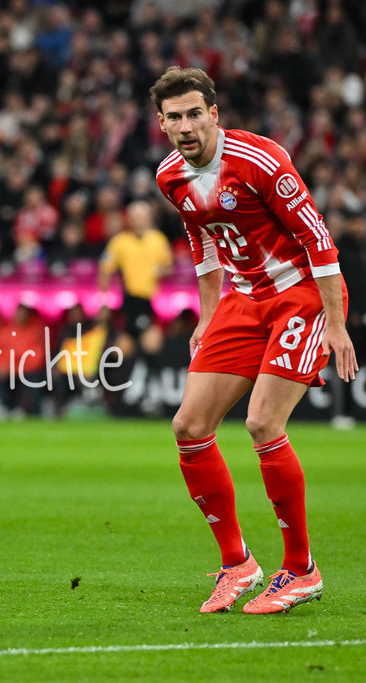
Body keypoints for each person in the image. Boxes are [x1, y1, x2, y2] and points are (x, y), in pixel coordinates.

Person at [151, 67, 358, 614]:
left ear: (214, 114)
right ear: (162, 124)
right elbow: (204, 242)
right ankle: (238, 562)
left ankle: (301, 569)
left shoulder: (260, 159)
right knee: (189, 427)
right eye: (175, 117)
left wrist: (336, 322)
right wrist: (208, 315)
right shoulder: (170, 176)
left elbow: (318, 238)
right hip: (242, 300)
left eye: (196, 113)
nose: (187, 125)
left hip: (298, 295)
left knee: (263, 423)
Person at [98, 199, 174, 340]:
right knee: (125, 344)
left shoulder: (158, 239)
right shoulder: (119, 241)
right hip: (128, 300)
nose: (138, 220)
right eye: (134, 217)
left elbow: (169, 268)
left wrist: (161, 271)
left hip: (152, 301)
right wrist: (104, 301)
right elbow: (105, 270)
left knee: (151, 341)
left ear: (149, 217)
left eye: (141, 216)